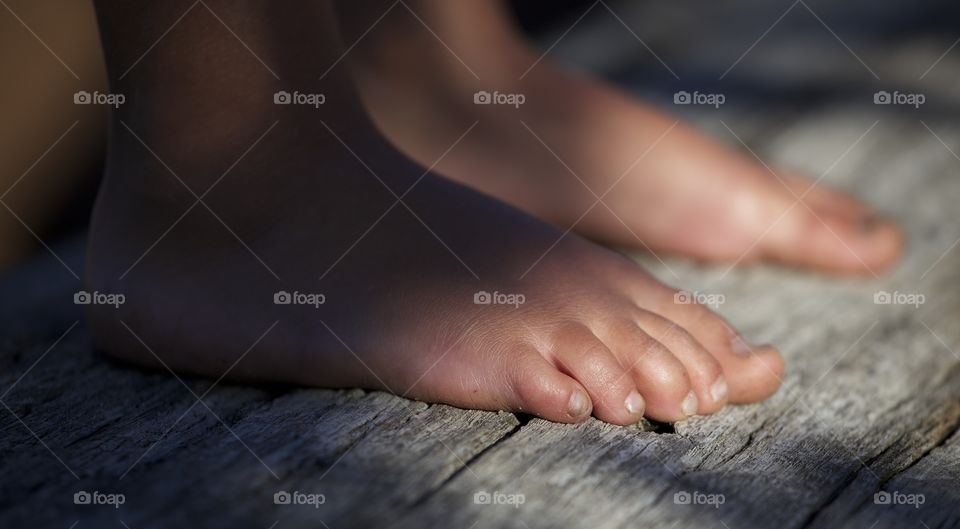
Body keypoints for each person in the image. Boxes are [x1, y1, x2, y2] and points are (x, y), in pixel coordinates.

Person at [85, 0, 901, 425]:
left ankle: (435, 73)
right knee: (235, 147)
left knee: (434, 51)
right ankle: (235, 175)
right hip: (231, 185)